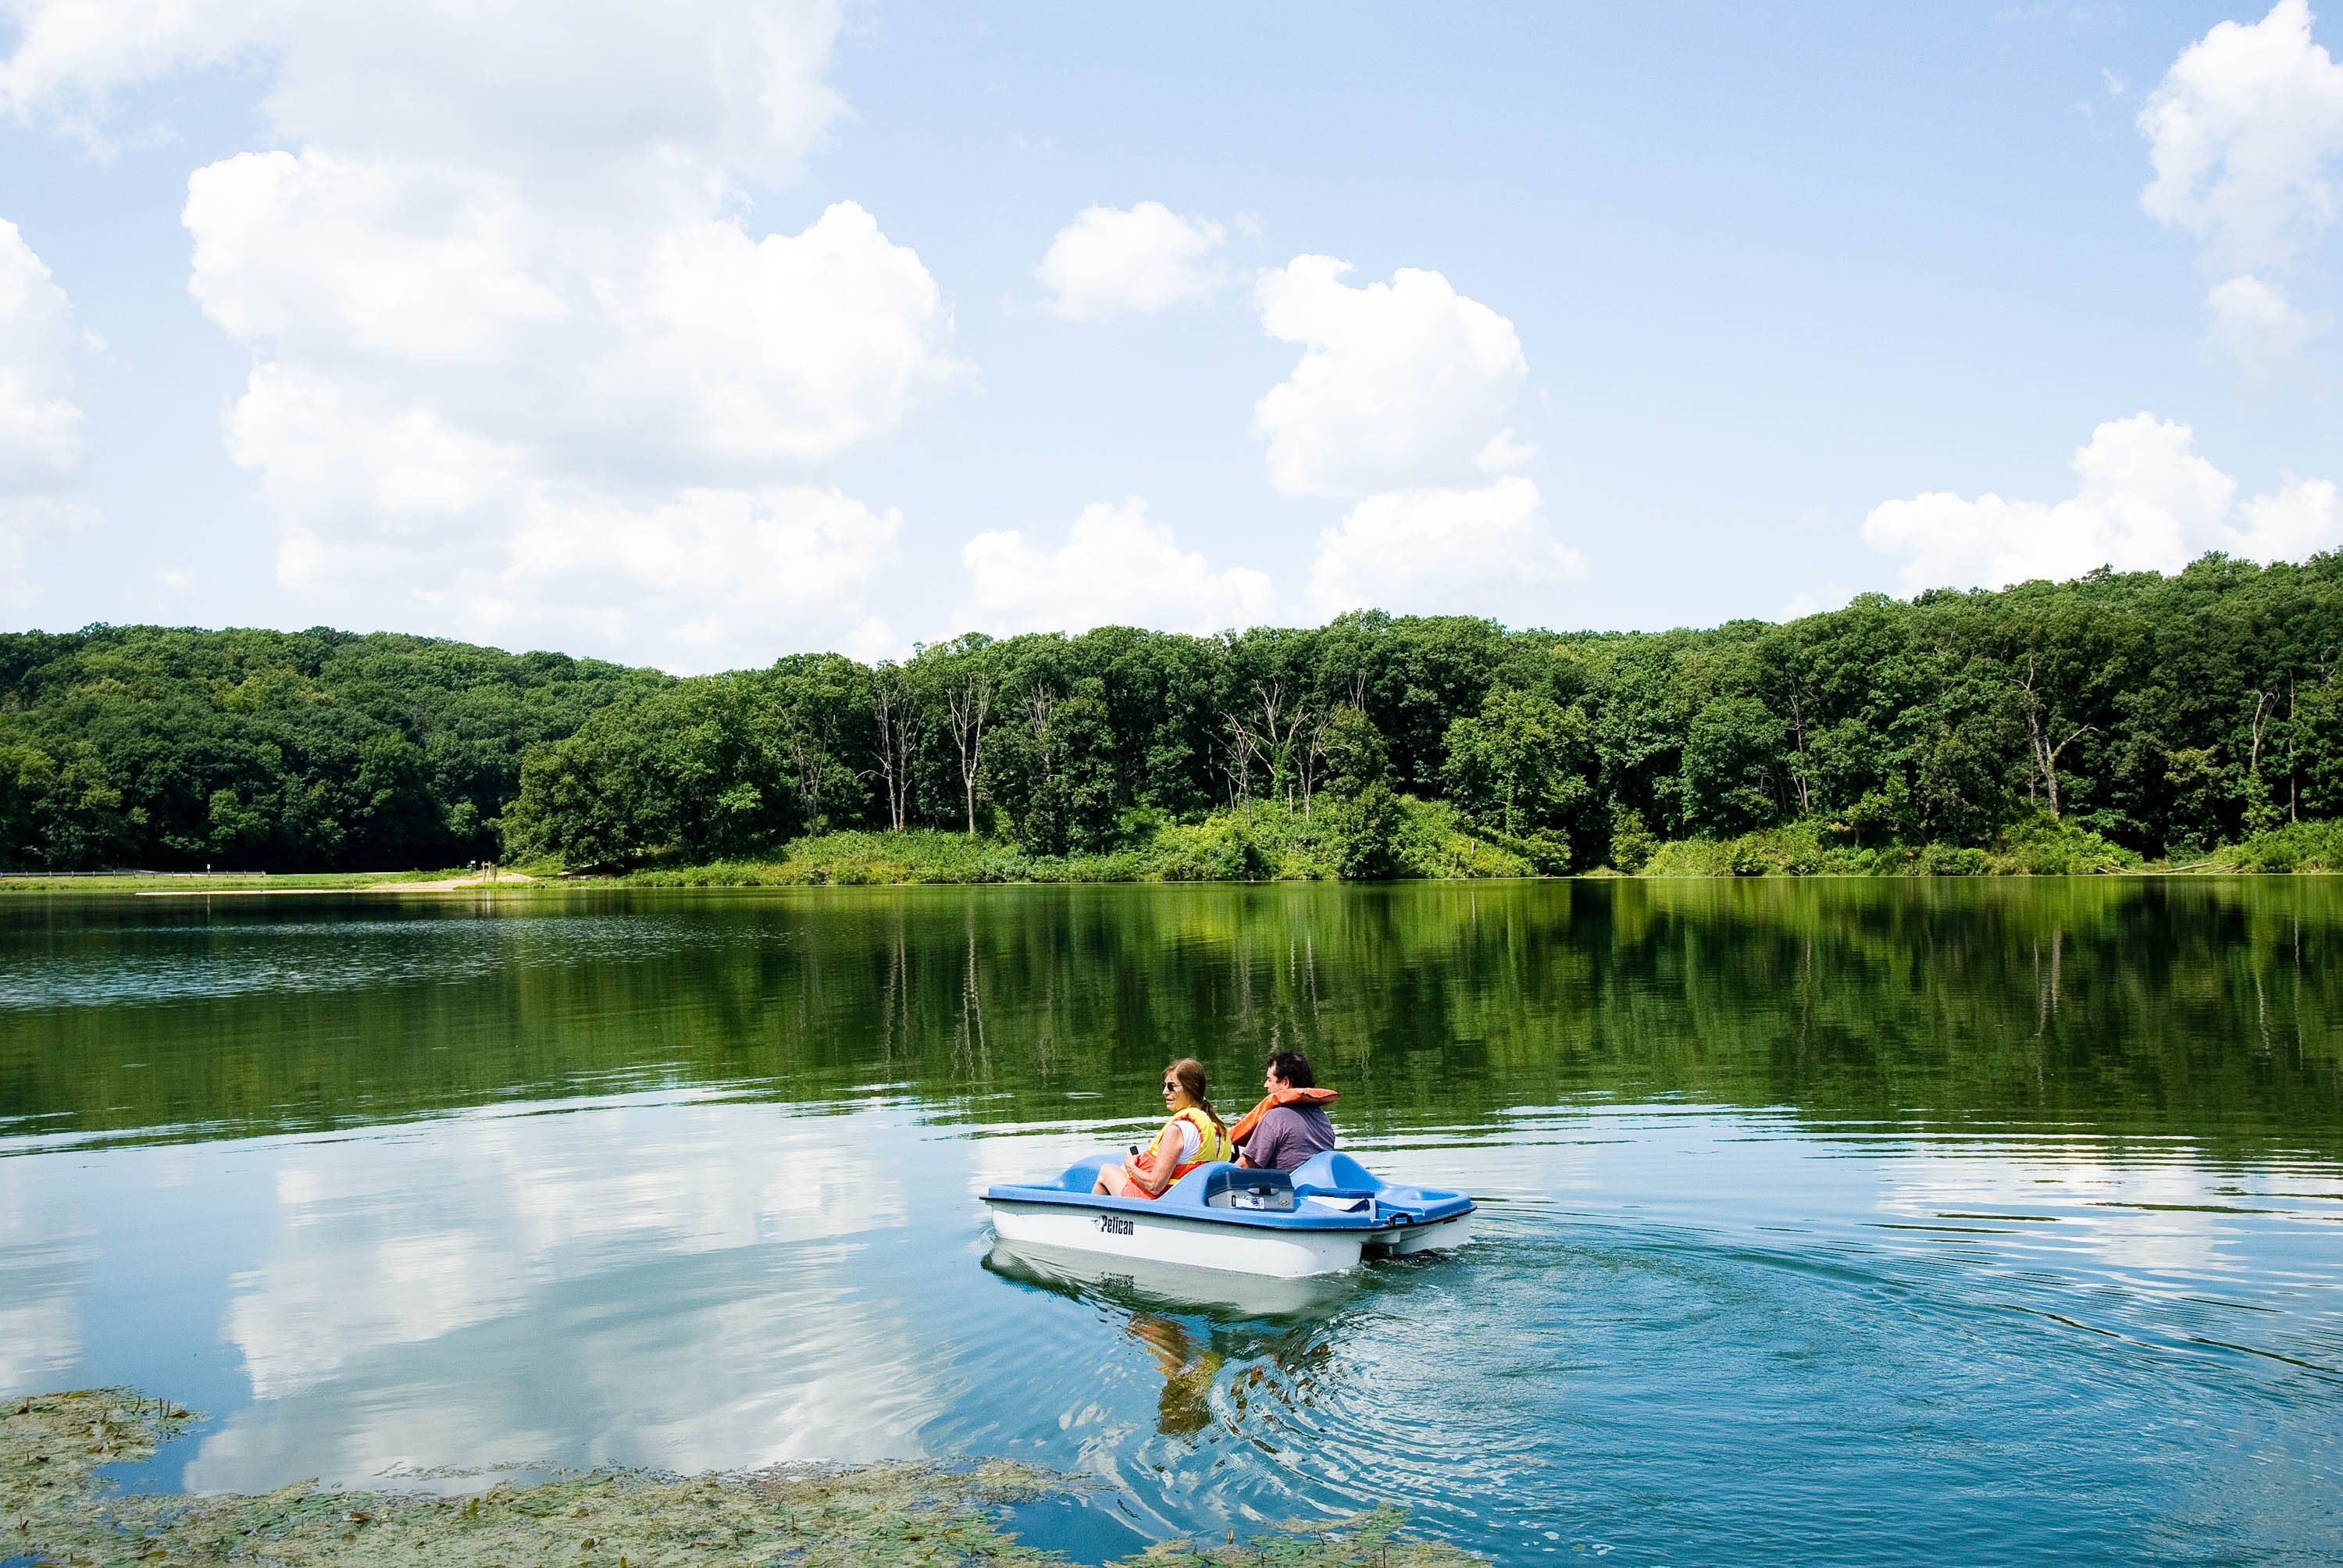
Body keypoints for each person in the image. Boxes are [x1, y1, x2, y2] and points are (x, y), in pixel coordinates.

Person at [1094, 1057, 1235, 1199]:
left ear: (1192, 1087)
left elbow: (1155, 1186)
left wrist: (1131, 1166)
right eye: (1164, 1086)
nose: (1165, 1092)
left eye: (1172, 1087)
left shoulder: (1178, 1130)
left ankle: (1096, 1220)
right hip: (1191, 1197)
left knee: (1106, 1171)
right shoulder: (1217, 1127)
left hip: (1161, 1200)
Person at [1231, 1051, 1337, 1171]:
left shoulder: (1274, 1118)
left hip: (1286, 1187)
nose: (1266, 1085)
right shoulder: (1322, 1118)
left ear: (1285, 1082)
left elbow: (1244, 1167)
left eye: (1270, 1080)